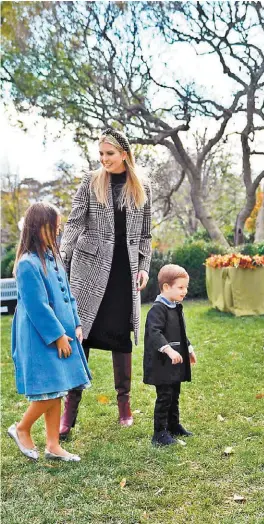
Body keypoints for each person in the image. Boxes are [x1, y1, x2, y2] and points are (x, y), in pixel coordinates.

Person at [59, 128, 152, 439]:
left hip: (124, 274)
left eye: (109, 154)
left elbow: (146, 236)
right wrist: (61, 255)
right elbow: (74, 222)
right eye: (100, 154)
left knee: (119, 338)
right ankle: (69, 410)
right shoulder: (90, 182)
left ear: (124, 154)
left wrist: (144, 268)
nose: (104, 160)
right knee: (80, 336)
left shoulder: (141, 186)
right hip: (88, 269)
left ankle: (124, 406)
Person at [8, 202, 91, 462]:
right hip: (40, 337)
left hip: (64, 332)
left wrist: (76, 323)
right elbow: (37, 306)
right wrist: (56, 337)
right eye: (53, 227)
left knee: (59, 388)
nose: (58, 232)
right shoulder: (27, 264)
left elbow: (68, 295)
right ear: (38, 227)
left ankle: (53, 446)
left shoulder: (53, 257)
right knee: (48, 390)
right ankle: (21, 428)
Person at [144, 264, 197, 446]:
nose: (185, 291)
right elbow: (155, 333)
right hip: (162, 364)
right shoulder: (158, 309)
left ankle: (173, 425)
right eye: (181, 287)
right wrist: (168, 349)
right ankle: (159, 433)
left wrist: (188, 349)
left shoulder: (175, 307)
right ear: (166, 287)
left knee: (175, 394)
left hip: (175, 364)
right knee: (165, 397)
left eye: (186, 287)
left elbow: (181, 332)